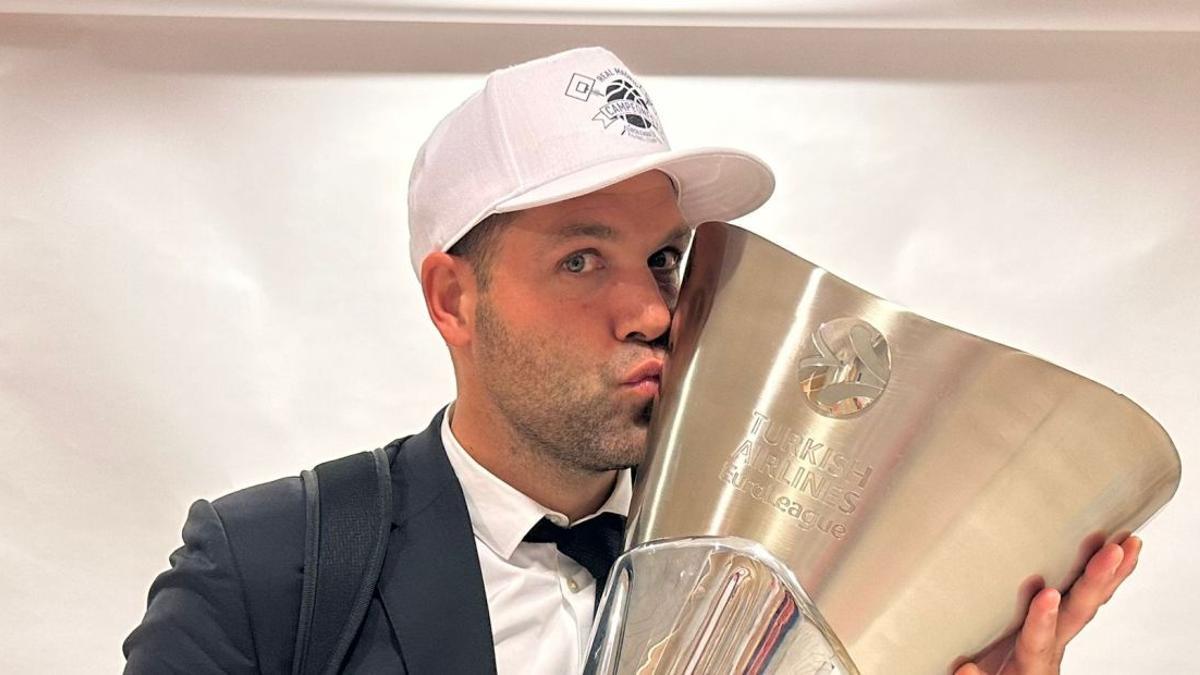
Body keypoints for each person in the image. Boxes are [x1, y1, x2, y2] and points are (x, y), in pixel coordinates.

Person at [123, 46, 1140, 675]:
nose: (652, 309)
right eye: (580, 259)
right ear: (453, 298)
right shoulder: (268, 566)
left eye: (662, 259)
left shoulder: (783, 561)